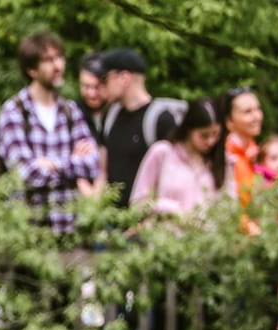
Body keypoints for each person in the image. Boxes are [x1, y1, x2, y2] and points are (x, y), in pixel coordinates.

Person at [0, 31, 102, 236]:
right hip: (28, 233)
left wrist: (52, 164)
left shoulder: (70, 111)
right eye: (49, 60)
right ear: (32, 70)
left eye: (60, 58)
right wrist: (72, 163)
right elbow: (26, 173)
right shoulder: (14, 111)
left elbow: (92, 164)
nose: (58, 66)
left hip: (70, 231)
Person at [95, 48, 185, 204]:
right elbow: (103, 170)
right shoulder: (110, 116)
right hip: (112, 219)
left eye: (104, 79)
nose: (101, 87)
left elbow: (172, 175)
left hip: (147, 218)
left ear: (124, 77)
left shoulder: (161, 119)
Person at [129, 98, 228, 216]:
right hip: (165, 231)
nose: (211, 141)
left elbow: (228, 205)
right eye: (204, 135)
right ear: (189, 129)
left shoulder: (220, 160)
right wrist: (168, 208)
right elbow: (137, 202)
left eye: (216, 134)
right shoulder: (163, 152)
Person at [221, 85, 266, 200]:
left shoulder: (257, 151)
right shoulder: (225, 156)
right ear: (229, 121)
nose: (257, 116)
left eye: (258, 109)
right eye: (247, 112)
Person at [76, 51, 108, 138]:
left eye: (97, 87)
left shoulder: (119, 112)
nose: (92, 94)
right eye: (86, 86)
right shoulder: (73, 112)